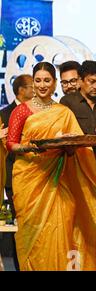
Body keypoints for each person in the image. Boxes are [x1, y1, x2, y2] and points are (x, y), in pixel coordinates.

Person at [6, 62, 96, 270]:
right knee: (33, 234)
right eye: (37, 80)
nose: (42, 85)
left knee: (62, 226)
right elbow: (11, 143)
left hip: (59, 179)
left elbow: (73, 146)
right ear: (33, 83)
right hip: (29, 180)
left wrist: (67, 146)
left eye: (47, 80)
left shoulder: (62, 112)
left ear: (54, 83)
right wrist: (31, 148)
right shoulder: (21, 111)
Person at [60, 60, 96, 186]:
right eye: (92, 82)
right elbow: (66, 137)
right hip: (74, 170)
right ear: (80, 80)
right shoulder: (67, 103)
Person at [0, 74, 33, 221]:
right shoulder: (4, 113)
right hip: (13, 171)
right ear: (21, 90)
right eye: (33, 86)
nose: (37, 89)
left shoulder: (40, 112)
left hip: (36, 171)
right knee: (18, 220)